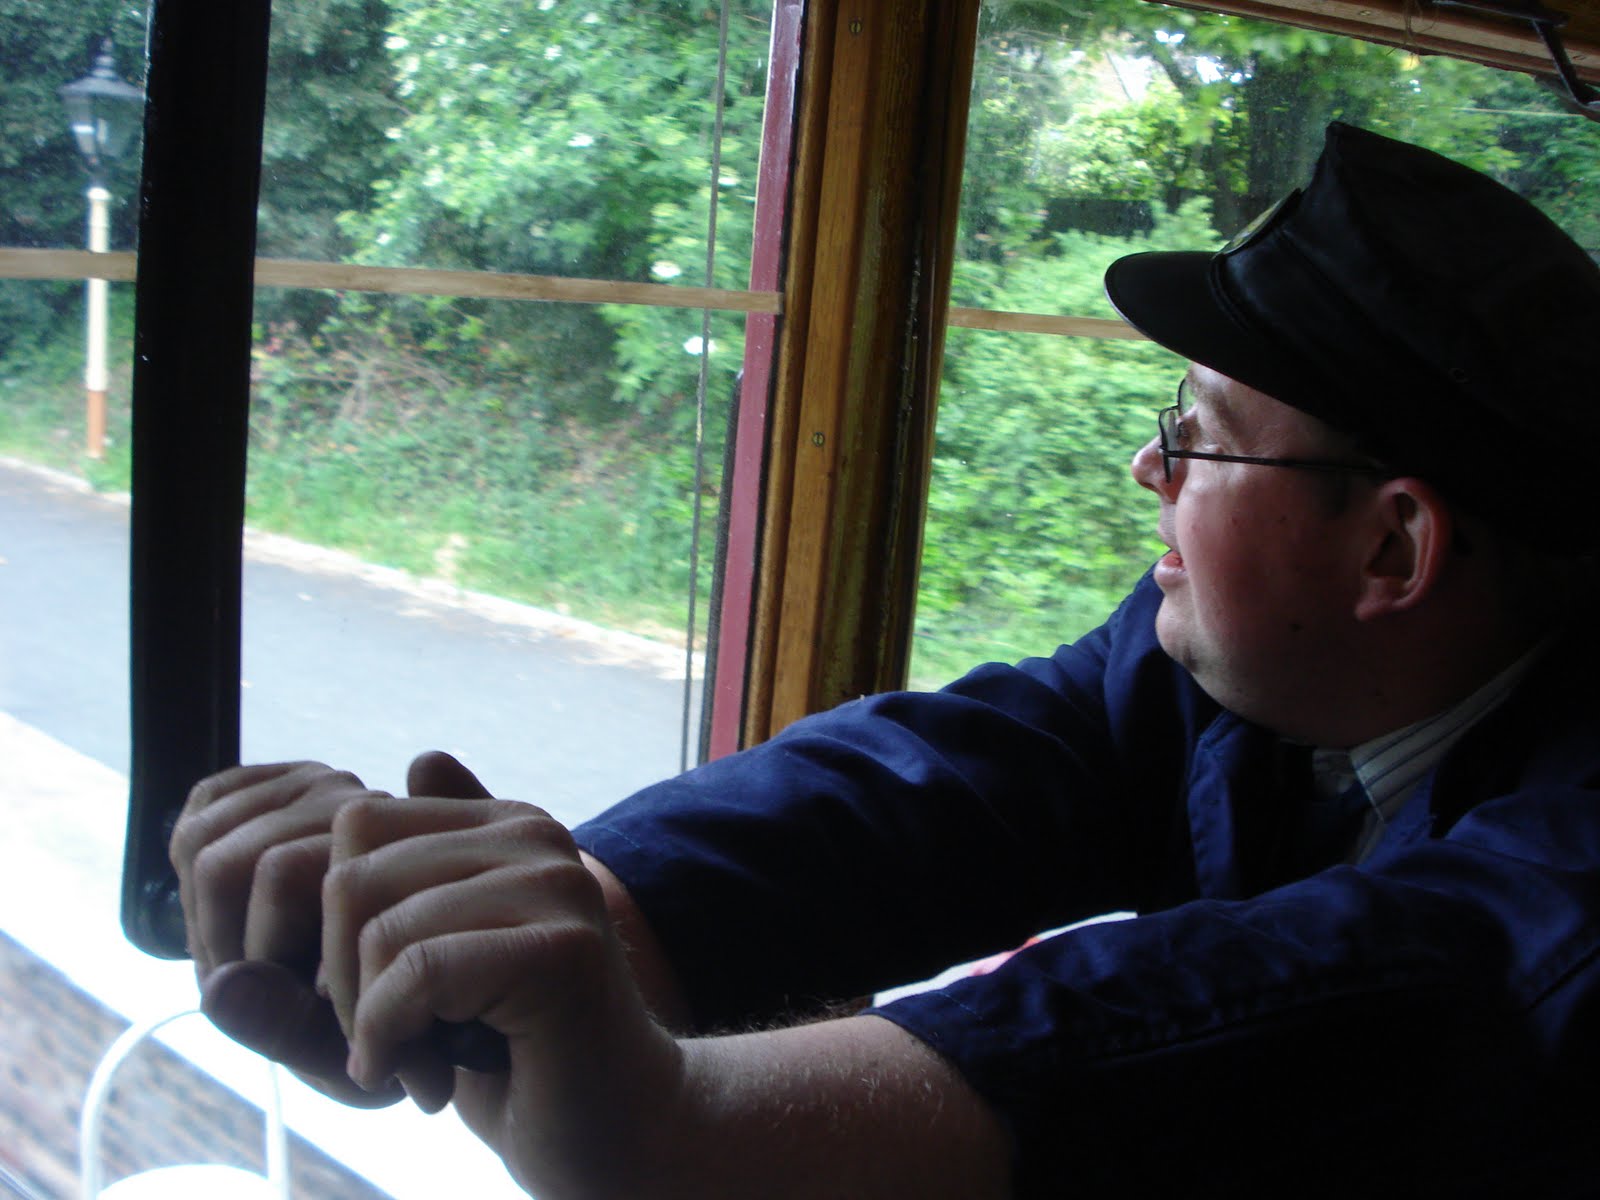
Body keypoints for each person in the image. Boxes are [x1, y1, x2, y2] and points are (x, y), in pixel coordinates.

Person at [170, 123, 1600, 1199]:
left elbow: (1393, 989)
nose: (1145, 465)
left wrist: (680, 1125)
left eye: (1199, 436)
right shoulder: (1239, 661)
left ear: (1392, 551)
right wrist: (539, 929)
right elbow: (949, 780)